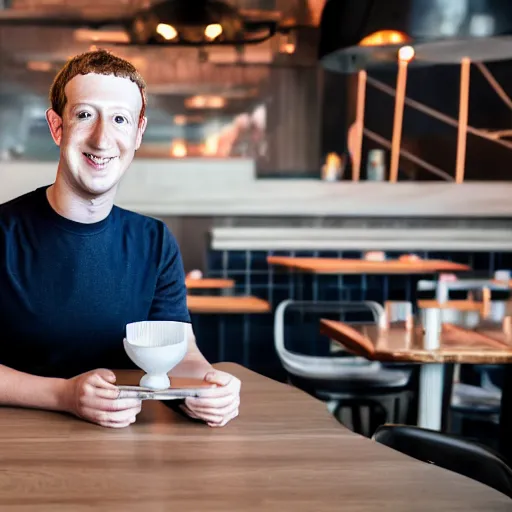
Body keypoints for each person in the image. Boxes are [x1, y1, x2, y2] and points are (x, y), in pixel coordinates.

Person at [0, 49, 240, 429]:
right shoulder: (4, 232)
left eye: (119, 119)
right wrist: (64, 396)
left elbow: (182, 353)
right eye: (84, 115)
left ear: (138, 132)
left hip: (126, 451)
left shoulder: (155, 241)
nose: (102, 138)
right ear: (57, 126)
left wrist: (206, 389)